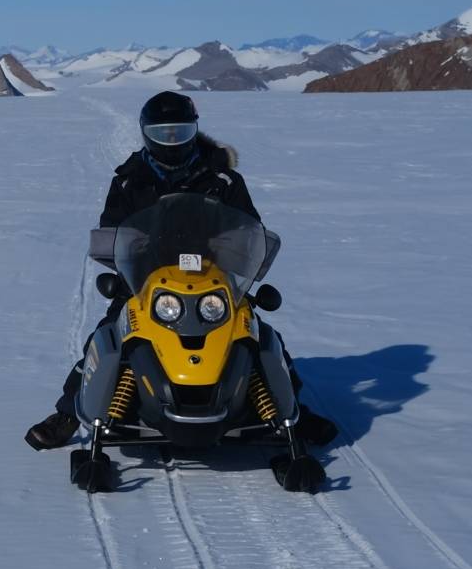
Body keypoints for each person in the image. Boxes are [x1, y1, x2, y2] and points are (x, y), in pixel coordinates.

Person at [24, 90, 335, 449]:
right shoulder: (129, 180)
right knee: (107, 335)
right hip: (146, 281)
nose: (172, 141)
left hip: (214, 280)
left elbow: (249, 229)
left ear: (194, 131)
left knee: (259, 336)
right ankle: (68, 412)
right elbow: (112, 229)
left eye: (181, 132)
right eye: (163, 133)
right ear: (146, 134)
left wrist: (231, 247)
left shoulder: (223, 180)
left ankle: (293, 409)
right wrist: (130, 251)